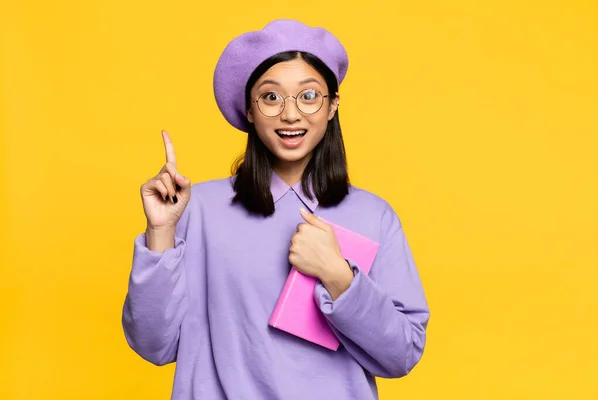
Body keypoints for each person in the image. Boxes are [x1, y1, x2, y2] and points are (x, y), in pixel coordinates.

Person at [122, 19, 430, 400]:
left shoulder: (374, 216)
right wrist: (160, 232)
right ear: (249, 111)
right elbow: (153, 345)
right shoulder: (197, 209)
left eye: (309, 95)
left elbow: (401, 355)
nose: (290, 114)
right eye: (270, 97)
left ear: (332, 105)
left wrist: (338, 276)